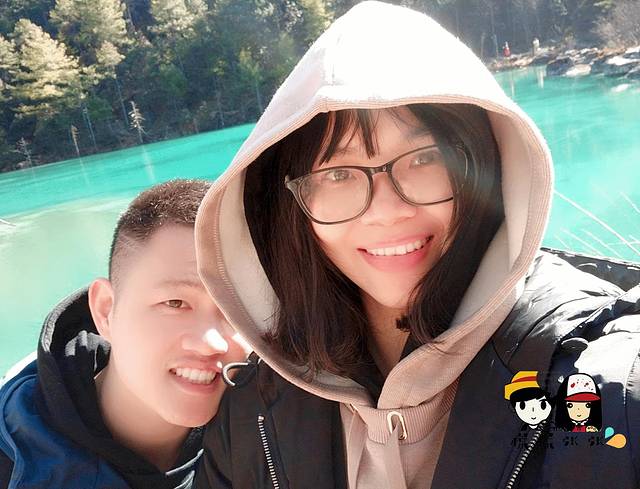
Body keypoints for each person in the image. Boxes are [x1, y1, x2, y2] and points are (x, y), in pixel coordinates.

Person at [193, 2, 640, 488]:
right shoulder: (253, 413)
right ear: (289, 209)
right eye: (338, 174)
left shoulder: (600, 380)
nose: (386, 211)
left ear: (483, 165)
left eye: (424, 158)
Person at [0, 180, 250, 489]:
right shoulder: (13, 460)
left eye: (236, 308)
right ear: (106, 311)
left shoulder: (268, 432)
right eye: (175, 303)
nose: (212, 343)